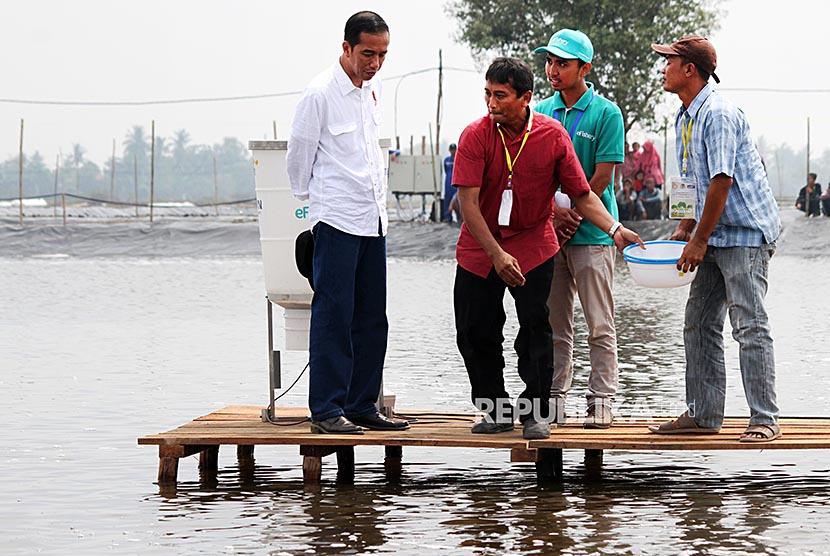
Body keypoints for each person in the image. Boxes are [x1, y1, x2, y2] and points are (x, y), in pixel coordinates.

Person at [452, 56, 642, 440]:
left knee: (537, 329)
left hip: (533, 244)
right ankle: (495, 409)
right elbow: (467, 205)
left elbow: (583, 194)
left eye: (501, 96)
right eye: (487, 94)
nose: (491, 104)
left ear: (526, 98)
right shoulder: (475, 135)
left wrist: (615, 228)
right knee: (475, 331)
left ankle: (535, 411)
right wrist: (496, 255)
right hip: (480, 246)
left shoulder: (552, 136)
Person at [649, 35, 782, 442]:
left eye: (668, 61)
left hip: (744, 232)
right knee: (699, 321)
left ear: (690, 69)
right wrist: (685, 228)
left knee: (749, 323)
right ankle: (704, 414)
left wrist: (698, 241)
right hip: (713, 232)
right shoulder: (684, 116)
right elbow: (692, 179)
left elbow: (722, 183)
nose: (663, 68)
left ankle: (764, 419)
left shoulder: (718, 113)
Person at [286, 11, 408, 435]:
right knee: (333, 314)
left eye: (382, 54)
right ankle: (326, 411)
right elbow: (298, 159)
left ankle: (361, 405)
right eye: (367, 53)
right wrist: (316, 202)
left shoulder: (371, 91)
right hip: (336, 218)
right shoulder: (319, 94)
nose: (374, 63)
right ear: (346, 48)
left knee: (373, 317)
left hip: (372, 218)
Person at [534, 28, 626, 428]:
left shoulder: (606, 113)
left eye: (563, 63)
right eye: (550, 62)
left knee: (599, 322)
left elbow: (602, 177)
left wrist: (571, 212)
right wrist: (555, 215)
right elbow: (534, 174)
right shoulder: (539, 111)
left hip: (592, 235)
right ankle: (555, 398)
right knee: (555, 323)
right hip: (549, 234)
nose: (554, 70)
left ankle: (602, 400)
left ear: (585, 68)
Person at [442, 143, 458, 222]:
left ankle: (459, 217)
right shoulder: (446, 160)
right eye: (451, 150)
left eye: (454, 150)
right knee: (447, 199)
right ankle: (448, 216)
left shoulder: (459, 159)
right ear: (449, 150)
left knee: (457, 200)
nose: (453, 152)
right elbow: (445, 170)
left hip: (456, 183)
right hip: (448, 183)